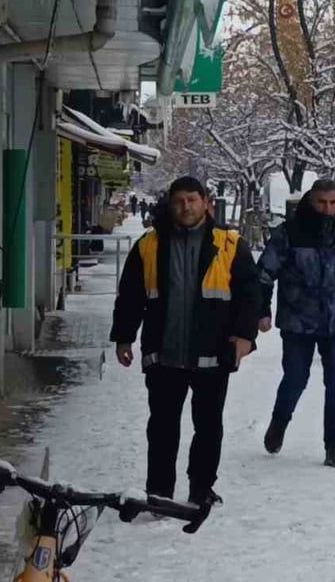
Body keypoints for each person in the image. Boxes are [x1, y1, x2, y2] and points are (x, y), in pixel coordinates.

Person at [110, 176, 260, 508]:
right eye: (180, 201)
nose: (186, 207)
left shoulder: (230, 245)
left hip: (213, 355)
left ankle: (201, 488)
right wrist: (123, 336)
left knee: (208, 427)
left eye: (192, 200)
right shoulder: (148, 245)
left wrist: (244, 336)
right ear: (171, 203)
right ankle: (160, 492)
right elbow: (131, 295)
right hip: (164, 355)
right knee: (162, 428)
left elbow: (251, 294)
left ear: (206, 202)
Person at [258, 179, 335, 468]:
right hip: (298, 322)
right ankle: (279, 422)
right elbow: (264, 274)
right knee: (296, 379)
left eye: (333, 203)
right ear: (311, 201)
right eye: (322, 202)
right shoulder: (289, 234)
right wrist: (261, 311)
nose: (327, 208)